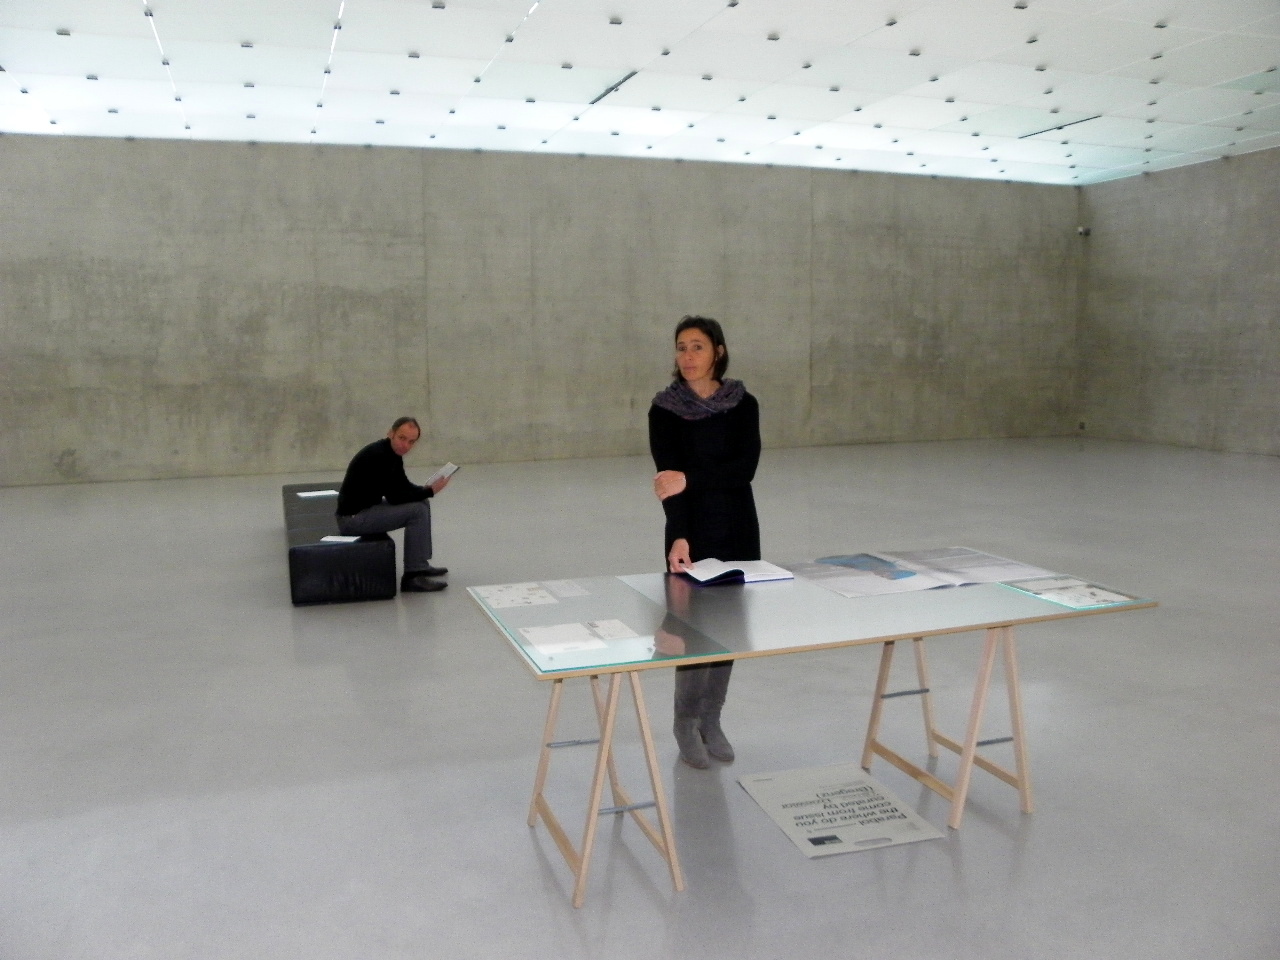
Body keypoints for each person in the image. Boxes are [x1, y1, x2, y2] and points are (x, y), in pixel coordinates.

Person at [648, 316, 761, 768]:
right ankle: (685, 722)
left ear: (718, 351)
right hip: (689, 530)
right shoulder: (664, 409)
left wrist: (690, 478)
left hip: (738, 527)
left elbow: (744, 470)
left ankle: (711, 720)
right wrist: (678, 535)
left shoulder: (743, 404)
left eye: (697, 346)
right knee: (690, 631)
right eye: (681, 347)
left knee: (729, 630)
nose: (688, 355)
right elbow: (667, 482)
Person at [336, 417, 452, 594]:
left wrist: (425, 490)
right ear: (391, 433)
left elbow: (403, 485)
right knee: (417, 511)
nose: (405, 445)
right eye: (402, 438)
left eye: (411, 442)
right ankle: (412, 577)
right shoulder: (379, 456)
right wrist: (431, 491)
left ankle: (420, 565)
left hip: (365, 509)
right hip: (352, 519)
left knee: (421, 502)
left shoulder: (391, 454)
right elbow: (396, 497)